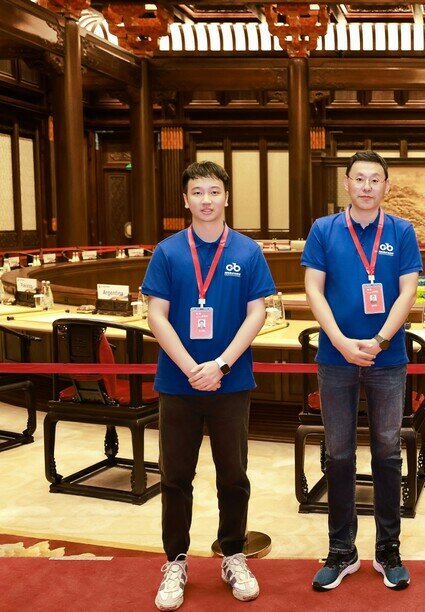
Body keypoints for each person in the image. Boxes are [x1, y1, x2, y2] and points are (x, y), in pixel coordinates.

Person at [144, 161, 276, 611]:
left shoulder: (247, 250)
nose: (206, 199)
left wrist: (218, 364)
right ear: (186, 200)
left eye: (213, 191)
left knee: (233, 475)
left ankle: (233, 553)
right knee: (176, 477)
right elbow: (156, 315)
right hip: (177, 384)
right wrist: (190, 368)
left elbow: (256, 313)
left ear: (225, 197)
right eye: (197, 192)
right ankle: (175, 561)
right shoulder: (167, 252)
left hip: (231, 380)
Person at [302, 150, 422, 592]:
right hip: (335, 359)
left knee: (388, 453)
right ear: (346, 185)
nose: (367, 186)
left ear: (386, 187)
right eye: (359, 178)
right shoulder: (324, 230)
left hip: (387, 360)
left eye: (376, 179)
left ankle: (388, 549)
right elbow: (313, 289)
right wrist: (339, 340)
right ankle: (341, 550)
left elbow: (408, 290)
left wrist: (380, 341)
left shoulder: (402, 231)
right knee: (338, 454)